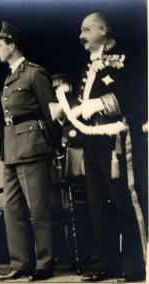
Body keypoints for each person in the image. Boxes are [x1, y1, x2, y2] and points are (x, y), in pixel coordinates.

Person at [71, 12, 145, 282]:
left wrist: (98, 104)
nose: (81, 36)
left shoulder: (125, 59)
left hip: (116, 139)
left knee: (126, 201)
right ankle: (109, 264)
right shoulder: (90, 64)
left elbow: (132, 94)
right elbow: (83, 100)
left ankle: (136, 266)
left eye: (86, 29)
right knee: (98, 204)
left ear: (103, 30)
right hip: (92, 141)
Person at [0, 21, 60, 281]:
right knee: (11, 209)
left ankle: (45, 263)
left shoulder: (34, 73)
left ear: (12, 45)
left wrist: (54, 145)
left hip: (33, 146)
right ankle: (21, 263)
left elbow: (50, 111)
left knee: (39, 208)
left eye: (0, 45)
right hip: (11, 147)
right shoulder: (10, 76)